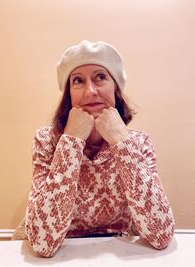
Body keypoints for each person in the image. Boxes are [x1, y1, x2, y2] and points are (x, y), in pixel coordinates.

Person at [24, 40, 175, 257]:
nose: (90, 91)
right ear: (69, 94)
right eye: (78, 81)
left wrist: (122, 142)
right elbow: (41, 243)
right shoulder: (46, 141)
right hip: (61, 253)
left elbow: (161, 235)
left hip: (121, 250)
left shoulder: (139, 143)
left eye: (100, 77)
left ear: (116, 87)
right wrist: (71, 141)